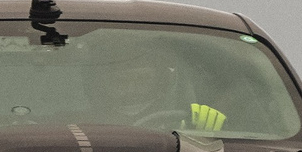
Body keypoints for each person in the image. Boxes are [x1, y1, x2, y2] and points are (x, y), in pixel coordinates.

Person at [86, 34, 226, 131]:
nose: (131, 89)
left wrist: (204, 126)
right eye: (120, 82)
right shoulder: (82, 128)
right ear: (101, 86)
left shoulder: (191, 120)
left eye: (142, 79)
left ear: (161, 81)